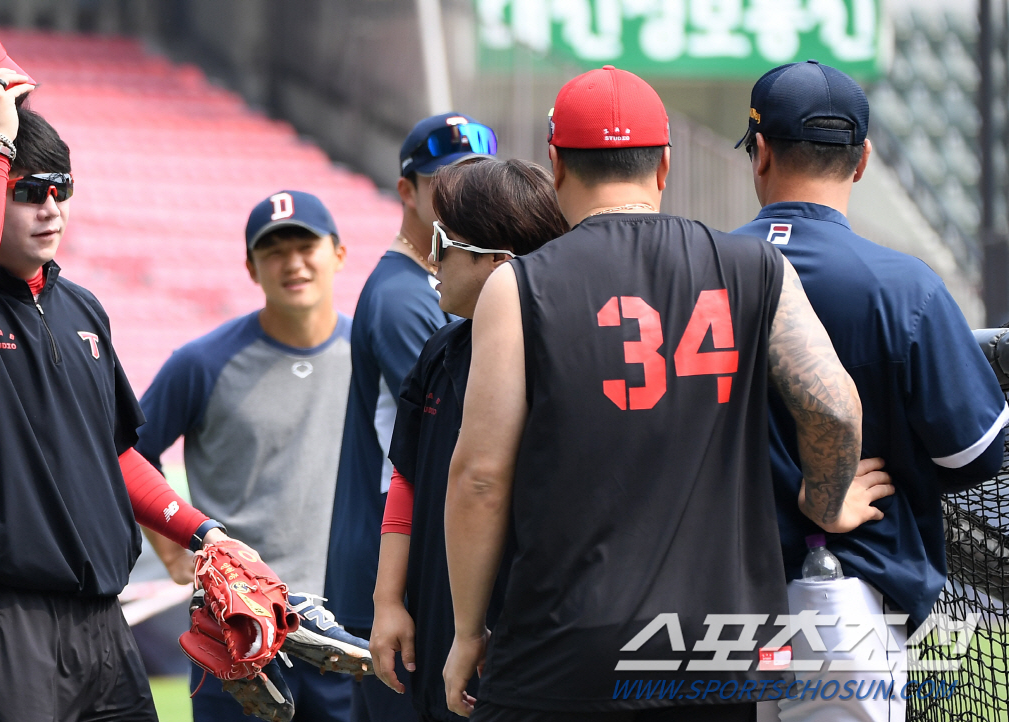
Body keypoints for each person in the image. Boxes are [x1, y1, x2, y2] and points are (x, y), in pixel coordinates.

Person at [441, 65, 874, 721]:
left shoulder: (520, 286)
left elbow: (479, 478)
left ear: (555, 165)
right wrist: (827, 498)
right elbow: (834, 406)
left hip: (566, 651)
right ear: (665, 166)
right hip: (718, 651)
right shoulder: (756, 266)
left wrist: (467, 631)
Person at [0, 11, 232, 718]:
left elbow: (116, 455)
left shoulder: (84, 311)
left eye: (61, 188)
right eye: (26, 190)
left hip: (101, 622)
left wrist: (202, 531)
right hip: (0, 619)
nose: (50, 207)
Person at [732, 61, 1008, 722]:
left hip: (705, 593)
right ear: (862, 161)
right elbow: (975, 456)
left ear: (761, 150)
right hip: (846, 601)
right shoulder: (904, 286)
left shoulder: (694, 274)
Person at [137, 191, 371, 722]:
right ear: (251, 267)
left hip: (346, 625)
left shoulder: (374, 354)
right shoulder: (201, 363)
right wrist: (177, 547)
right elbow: (128, 452)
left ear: (338, 252)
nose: (293, 262)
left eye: (306, 245)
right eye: (274, 250)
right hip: (236, 628)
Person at [369, 157, 568, 722]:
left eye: (444, 241)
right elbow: (405, 476)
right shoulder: (442, 350)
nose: (431, 259)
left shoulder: (561, 359)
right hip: (438, 621)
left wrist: (471, 627)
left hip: (517, 632)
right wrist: (388, 599)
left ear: (501, 265)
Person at [324, 113, 497, 722]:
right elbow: (450, 450)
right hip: (393, 574)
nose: (459, 196)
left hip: (408, 566)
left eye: (474, 181)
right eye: (443, 182)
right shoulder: (406, 297)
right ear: (407, 190)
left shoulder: (444, 287)